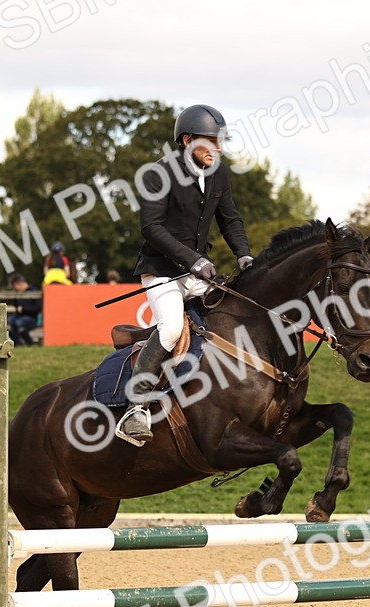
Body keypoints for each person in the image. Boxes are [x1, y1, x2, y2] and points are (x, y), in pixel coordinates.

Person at [116, 103, 253, 446]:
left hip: (197, 272)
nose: (218, 149)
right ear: (187, 140)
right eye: (212, 141)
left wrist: (245, 254)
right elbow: (151, 229)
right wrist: (193, 261)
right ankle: (136, 407)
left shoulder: (219, 174)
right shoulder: (158, 174)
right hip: (161, 271)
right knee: (172, 327)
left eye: (221, 142)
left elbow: (230, 219)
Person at [7, 274, 41, 346]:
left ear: (18, 284)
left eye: (14, 287)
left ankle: (29, 343)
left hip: (31, 317)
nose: (14, 289)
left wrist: (24, 309)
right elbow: (16, 305)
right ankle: (17, 344)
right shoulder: (18, 293)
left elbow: (37, 308)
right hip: (19, 316)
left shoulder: (34, 292)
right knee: (9, 321)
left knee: (20, 323)